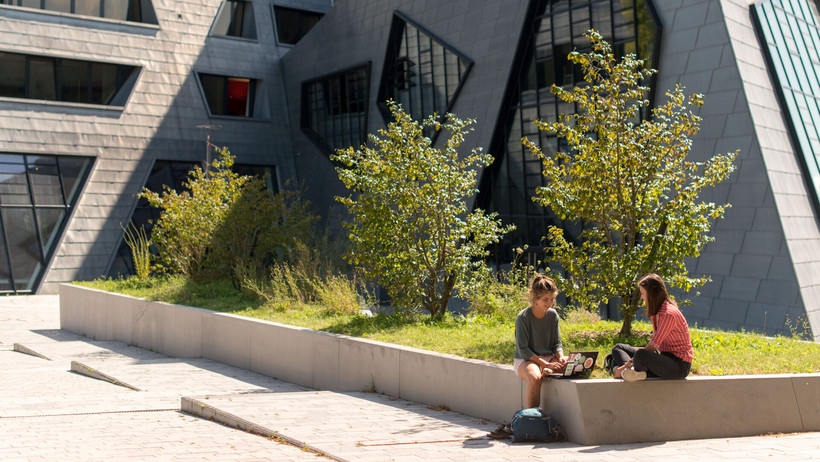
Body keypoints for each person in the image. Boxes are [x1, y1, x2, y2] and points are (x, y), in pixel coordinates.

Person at [611, 273, 694, 382]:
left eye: (642, 294)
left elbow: (652, 347)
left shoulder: (669, 314)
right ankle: (633, 373)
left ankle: (628, 371)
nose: (641, 297)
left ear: (652, 294)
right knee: (619, 348)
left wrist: (624, 366)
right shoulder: (656, 313)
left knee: (641, 354)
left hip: (678, 366)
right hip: (664, 358)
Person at [514, 274, 567, 408]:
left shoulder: (553, 315)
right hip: (526, 360)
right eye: (546, 299)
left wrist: (560, 357)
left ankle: (548, 371)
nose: (549, 303)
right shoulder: (523, 317)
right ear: (536, 298)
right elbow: (523, 349)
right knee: (535, 378)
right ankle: (532, 418)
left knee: (576, 366)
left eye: (552, 299)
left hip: (549, 358)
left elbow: (557, 343)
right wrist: (544, 364)